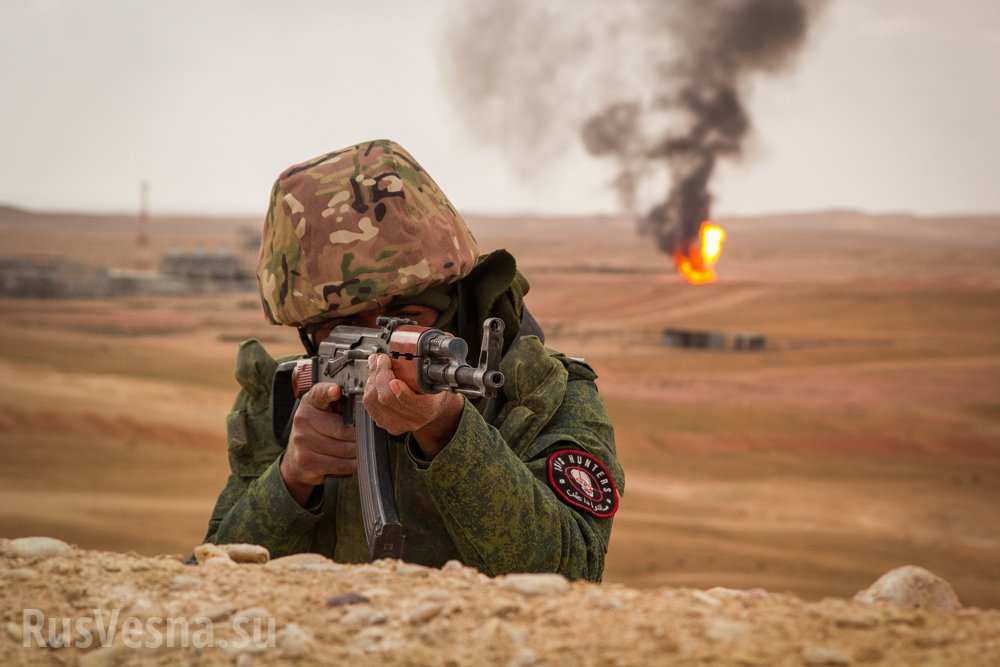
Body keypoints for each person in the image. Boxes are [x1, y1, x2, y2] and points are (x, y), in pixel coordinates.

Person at [200, 139, 624, 581]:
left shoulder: (544, 394)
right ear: (313, 335)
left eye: (404, 319)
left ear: (455, 307)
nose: (378, 347)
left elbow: (571, 572)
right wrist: (292, 479)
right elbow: (208, 577)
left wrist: (449, 431)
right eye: (344, 327)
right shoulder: (289, 398)